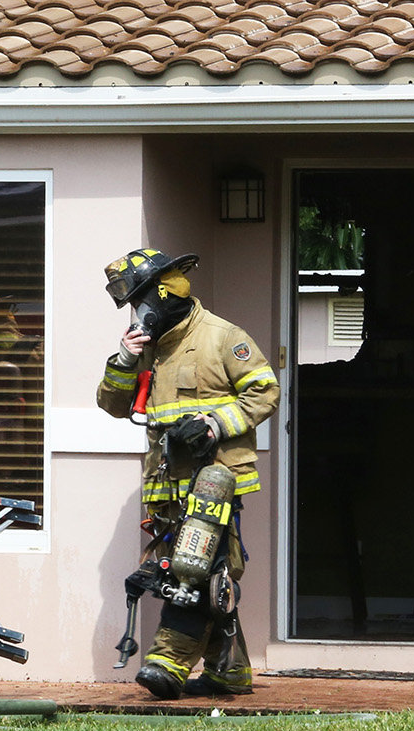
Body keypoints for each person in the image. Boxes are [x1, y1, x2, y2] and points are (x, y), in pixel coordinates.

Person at [96, 248, 280, 699]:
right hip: (167, 485)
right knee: (197, 572)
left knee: (198, 572)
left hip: (215, 480)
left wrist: (215, 424)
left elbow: (265, 390)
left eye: (140, 300)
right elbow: (112, 405)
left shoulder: (222, 337)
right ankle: (229, 671)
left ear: (163, 293)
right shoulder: (147, 347)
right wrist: (124, 361)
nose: (137, 311)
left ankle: (168, 662)